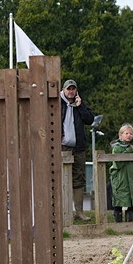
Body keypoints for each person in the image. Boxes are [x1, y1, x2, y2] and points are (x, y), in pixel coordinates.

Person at [59, 79, 96, 217]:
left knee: (79, 178)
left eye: (73, 89)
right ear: (63, 90)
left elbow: (90, 119)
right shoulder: (57, 103)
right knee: (62, 178)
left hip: (78, 147)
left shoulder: (79, 103)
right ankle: (63, 211)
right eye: (68, 89)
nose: (71, 91)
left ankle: (79, 211)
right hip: (62, 147)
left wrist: (80, 106)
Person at [109, 123, 133, 222]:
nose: (129, 135)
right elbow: (118, 163)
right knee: (119, 197)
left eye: (131, 133)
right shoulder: (117, 148)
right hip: (120, 177)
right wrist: (129, 150)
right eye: (126, 133)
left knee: (132, 196)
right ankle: (118, 218)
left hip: (131, 177)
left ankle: (130, 218)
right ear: (121, 135)